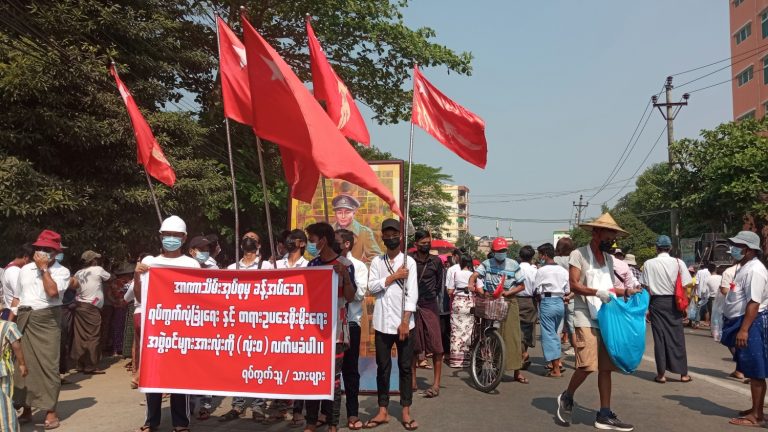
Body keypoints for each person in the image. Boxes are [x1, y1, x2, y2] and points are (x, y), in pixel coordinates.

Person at [556, 213, 636, 431]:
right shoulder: (578, 254)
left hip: (605, 315)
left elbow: (609, 288)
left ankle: (605, 413)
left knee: (606, 368)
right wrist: (596, 292)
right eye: (608, 234)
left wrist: (627, 290)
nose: (611, 239)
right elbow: (574, 285)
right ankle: (567, 395)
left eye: (613, 235)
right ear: (596, 233)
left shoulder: (609, 259)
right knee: (588, 364)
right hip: (584, 314)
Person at [133, 215, 200, 432]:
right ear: (160, 236)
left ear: (184, 238)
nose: (171, 238)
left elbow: (200, 296)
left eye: (176, 235)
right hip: (156, 330)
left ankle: (180, 422)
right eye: (167, 235)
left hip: (181, 329)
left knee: (180, 377)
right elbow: (141, 297)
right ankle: (151, 421)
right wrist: (137, 275)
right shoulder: (150, 263)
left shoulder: (191, 264)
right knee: (154, 376)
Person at [12, 229, 70, 429]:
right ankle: (26, 409)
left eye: (47, 249)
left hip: (47, 320)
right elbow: (17, 297)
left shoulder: (62, 271)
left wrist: (44, 270)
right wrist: (9, 321)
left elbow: (52, 292)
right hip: (24, 317)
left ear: (55, 252)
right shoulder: (25, 270)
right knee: (23, 364)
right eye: (40, 248)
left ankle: (50, 411)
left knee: (48, 366)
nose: (42, 252)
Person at [364, 218, 419, 431]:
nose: (391, 238)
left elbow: (412, 294)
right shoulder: (378, 262)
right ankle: (383, 409)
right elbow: (371, 288)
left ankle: (405, 410)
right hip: (382, 323)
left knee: (405, 367)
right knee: (383, 368)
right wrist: (393, 277)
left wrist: (405, 321)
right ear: (382, 237)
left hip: (405, 324)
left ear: (400, 236)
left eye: (394, 234)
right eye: (387, 235)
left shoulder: (409, 262)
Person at [302, 222, 355, 432]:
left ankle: (333, 422)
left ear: (323, 240)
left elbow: (350, 297)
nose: (310, 244)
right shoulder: (313, 265)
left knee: (333, 380)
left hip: (337, 333)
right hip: (315, 332)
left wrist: (345, 277)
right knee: (313, 377)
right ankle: (311, 421)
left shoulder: (344, 264)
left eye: (312, 240)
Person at [220, 232, 273, 423]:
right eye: (245, 237)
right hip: (238, 323)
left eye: (252, 238)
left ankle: (259, 406)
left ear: (259, 245)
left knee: (258, 365)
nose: (248, 240)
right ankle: (238, 405)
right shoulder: (232, 267)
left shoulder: (267, 266)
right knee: (238, 365)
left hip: (260, 322)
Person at [721, 231, 768, 427]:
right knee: (750, 368)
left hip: (751, 322)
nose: (733, 249)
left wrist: (744, 329)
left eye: (737, 246)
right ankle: (755, 408)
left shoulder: (754, 270)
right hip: (742, 321)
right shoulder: (744, 267)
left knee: (756, 370)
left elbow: (754, 302)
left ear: (748, 250)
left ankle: (757, 415)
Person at [469, 237, 528, 384]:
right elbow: (475, 275)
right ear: (493, 252)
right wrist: (471, 283)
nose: (501, 253)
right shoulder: (487, 264)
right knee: (485, 334)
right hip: (490, 300)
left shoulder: (513, 264)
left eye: (503, 251)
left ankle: (517, 372)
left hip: (509, 300)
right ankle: (489, 365)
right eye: (499, 251)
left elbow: (522, 286)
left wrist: (508, 293)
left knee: (513, 337)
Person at [641, 235, 693, 384]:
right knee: (677, 337)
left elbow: (645, 287)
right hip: (674, 302)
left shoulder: (649, 264)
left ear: (656, 248)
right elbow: (686, 284)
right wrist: (685, 305)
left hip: (656, 302)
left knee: (660, 338)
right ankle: (683, 374)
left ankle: (661, 374)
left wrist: (646, 308)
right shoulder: (678, 262)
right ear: (670, 248)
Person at [336, 228, 368, 431]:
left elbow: (359, 295)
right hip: (328, 325)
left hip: (350, 324)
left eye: (336, 241)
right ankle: (326, 414)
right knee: (329, 372)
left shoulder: (358, 267)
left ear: (346, 244)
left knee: (350, 370)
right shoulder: (323, 265)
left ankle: (353, 413)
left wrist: (345, 278)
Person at [410, 230, 444, 398]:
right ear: (416, 244)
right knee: (414, 346)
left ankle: (436, 384)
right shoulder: (409, 261)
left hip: (430, 305)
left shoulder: (436, 262)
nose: (426, 245)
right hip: (412, 305)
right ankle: (413, 381)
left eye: (428, 242)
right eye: (423, 243)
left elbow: (439, 285)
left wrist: (430, 296)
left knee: (437, 346)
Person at [70, 250, 111, 374]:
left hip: (80, 306)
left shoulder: (78, 273)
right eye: (96, 259)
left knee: (80, 336)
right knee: (93, 336)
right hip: (91, 307)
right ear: (93, 260)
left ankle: (80, 364)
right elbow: (109, 277)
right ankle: (91, 365)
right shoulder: (98, 269)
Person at [535, 243, 569, 378]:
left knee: (549, 336)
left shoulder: (542, 271)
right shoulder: (563, 271)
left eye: (540, 254)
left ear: (544, 255)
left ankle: (555, 368)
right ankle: (556, 363)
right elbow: (567, 290)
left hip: (547, 302)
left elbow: (536, 289)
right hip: (559, 302)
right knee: (555, 334)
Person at [447, 254, 482, 368]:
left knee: (456, 330)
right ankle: (465, 360)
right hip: (470, 303)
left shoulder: (455, 273)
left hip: (457, 303)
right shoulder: (475, 274)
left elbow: (450, 291)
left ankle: (455, 360)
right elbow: (480, 290)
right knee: (468, 331)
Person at [331, 194, 382, 263]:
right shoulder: (329, 231)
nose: (343, 216)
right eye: (339, 212)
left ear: (354, 213)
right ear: (335, 214)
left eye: (347, 212)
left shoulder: (364, 232)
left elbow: (376, 258)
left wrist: (360, 270)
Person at [1, 318, 27, 432]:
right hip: (3, 370)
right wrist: (22, 364)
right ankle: (8, 428)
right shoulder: (8, 326)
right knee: (5, 400)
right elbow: (16, 346)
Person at [721, 262, 746, 381]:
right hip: (746, 311)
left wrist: (735, 293)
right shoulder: (755, 269)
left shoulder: (729, 272)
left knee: (730, 339)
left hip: (735, 313)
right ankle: (740, 369)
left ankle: (745, 369)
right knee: (740, 342)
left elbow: (724, 290)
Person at [517, 245, 538, 370]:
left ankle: (522, 354)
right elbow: (537, 288)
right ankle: (523, 353)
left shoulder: (515, 269)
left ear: (520, 256)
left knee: (516, 329)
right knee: (528, 329)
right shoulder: (534, 271)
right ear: (532, 257)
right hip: (530, 301)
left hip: (515, 300)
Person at [555, 238, 576, 355]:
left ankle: (556, 356)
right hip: (571, 295)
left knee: (557, 326)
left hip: (556, 295)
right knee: (572, 324)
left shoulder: (555, 260)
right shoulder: (573, 259)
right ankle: (576, 350)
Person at [1, 243, 33, 321]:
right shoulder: (15, 271)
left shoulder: (12, 267)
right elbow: (20, 296)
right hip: (13, 314)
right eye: (31, 260)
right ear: (25, 257)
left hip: (12, 311)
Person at [704, 264, 721, 328]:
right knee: (720, 314)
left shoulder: (707, 279)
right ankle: (719, 328)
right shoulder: (721, 277)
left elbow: (704, 290)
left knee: (712, 314)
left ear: (708, 271)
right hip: (720, 298)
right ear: (716, 269)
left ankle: (713, 330)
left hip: (712, 298)